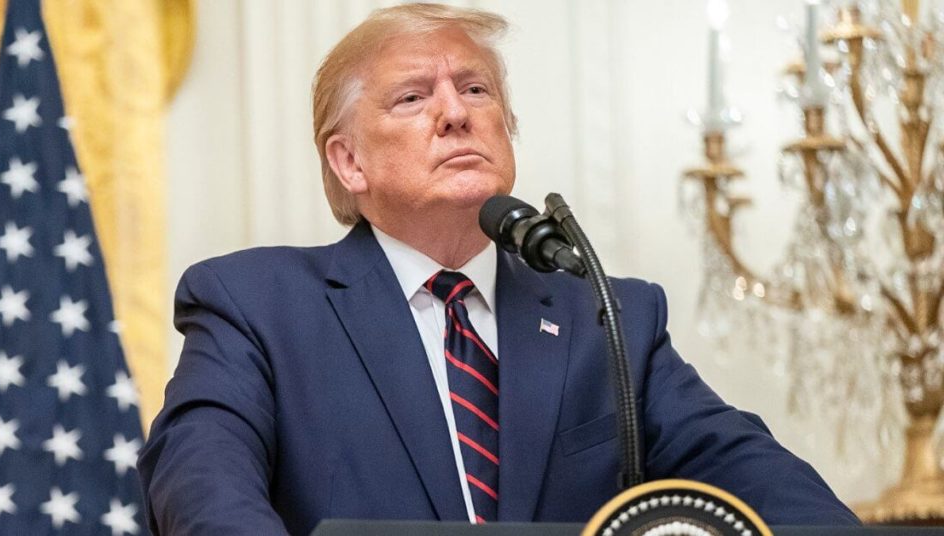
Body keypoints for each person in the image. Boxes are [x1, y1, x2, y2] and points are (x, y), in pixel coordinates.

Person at [137, 4, 860, 535]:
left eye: (477, 90)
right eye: (413, 97)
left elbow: (761, 482)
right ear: (348, 160)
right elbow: (202, 487)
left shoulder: (608, 317)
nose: (455, 112)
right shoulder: (256, 306)